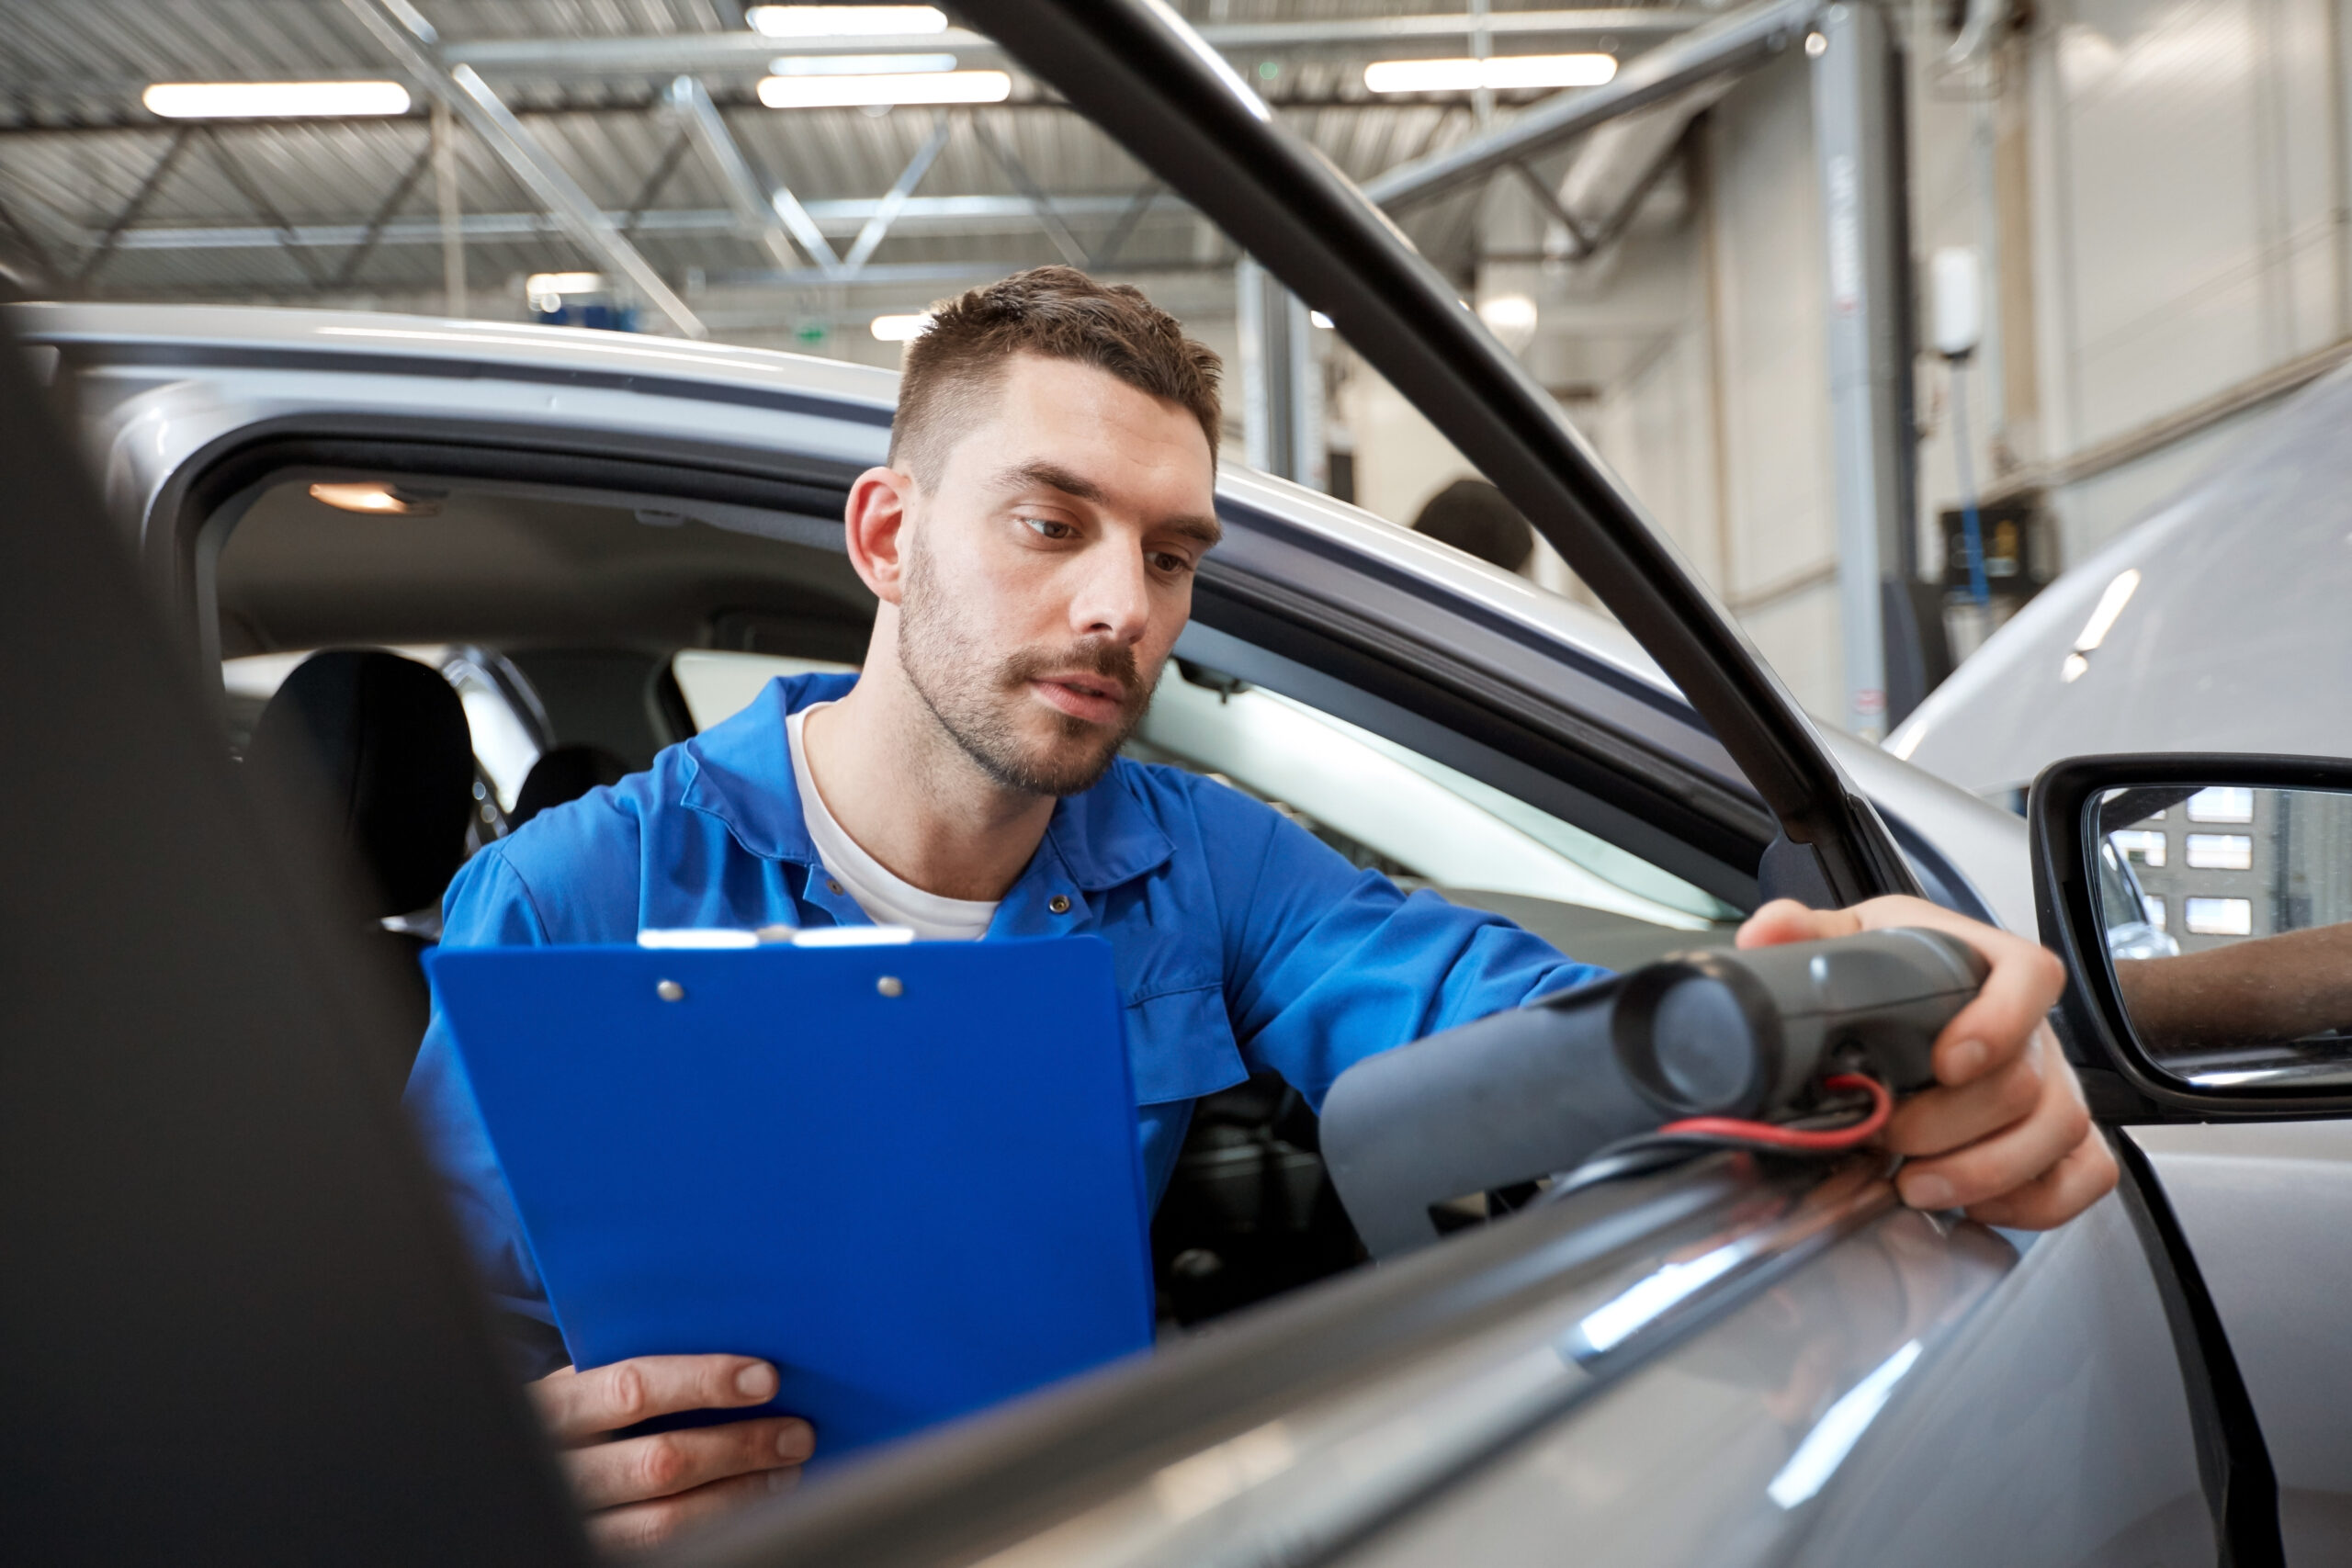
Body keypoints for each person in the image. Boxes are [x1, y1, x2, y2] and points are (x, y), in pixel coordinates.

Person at [404, 265, 2115, 1550]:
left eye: (1167, 556)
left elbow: (1498, 1020)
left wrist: (1836, 1028)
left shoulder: (1200, 862)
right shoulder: (570, 900)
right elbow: (411, 1378)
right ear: (883, 532)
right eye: (1048, 524)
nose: (1116, 606)